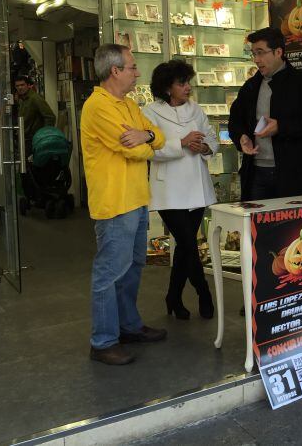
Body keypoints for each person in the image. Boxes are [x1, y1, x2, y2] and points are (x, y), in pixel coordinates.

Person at [80, 44, 167, 366]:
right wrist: (147, 142)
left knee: (133, 268)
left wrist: (145, 136)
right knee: (110, 273)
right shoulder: (97, 107)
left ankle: (128, 327)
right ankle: (102, 342)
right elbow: (136, 150)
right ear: (115, 71)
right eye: (132, 67)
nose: (137, 72)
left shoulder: (129, 104)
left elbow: (158, 137)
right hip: (115, 203)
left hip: (137, 199)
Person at [142, 60, 218, 320]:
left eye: (188, 82)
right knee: (187, 243)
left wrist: (205, 148)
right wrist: (182, 143)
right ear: (166, 88)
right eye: (181, 83)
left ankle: (173, 297)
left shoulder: (196, 109)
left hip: (197, 187)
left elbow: (212, 138)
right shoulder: (150, 112)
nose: (188, 87)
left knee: (186, 248)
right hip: (169, 191)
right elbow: (150, 150)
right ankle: (203, 293)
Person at [228, 27, 302, 200]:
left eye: (261, 53)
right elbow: (235, 121)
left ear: (278, 52)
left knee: (292, 226)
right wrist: (241, 137)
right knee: (256, 226)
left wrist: (281, 127)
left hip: (295, 176)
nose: (256, 60)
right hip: (255, 173)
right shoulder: (250, 87)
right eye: (253, 54)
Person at [14, 74, 55, 154]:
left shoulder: (35, 98)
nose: (20, 88)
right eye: (17, 86)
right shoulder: (23, 99)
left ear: (28, 85)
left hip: (34, 139)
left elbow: (50, 117)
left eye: (22, 85)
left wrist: (44, 136)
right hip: (26, 138)